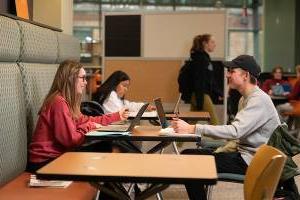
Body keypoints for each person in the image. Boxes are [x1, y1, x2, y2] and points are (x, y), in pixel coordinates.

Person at [171, 55, 281, 199]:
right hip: (244, 155)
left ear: (245, 75)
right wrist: (220, 150)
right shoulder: (245, 98)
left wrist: (193, 128)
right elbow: (239, 136)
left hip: (253, 162)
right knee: (189, 155)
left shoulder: (258, 100)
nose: (227, 74)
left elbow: (235, 131)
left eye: (231, 71)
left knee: (190, 160)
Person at [27, 60, 129, 172]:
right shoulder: (58, 102)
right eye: (83, 78)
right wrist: (90, 126)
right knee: (107, 148)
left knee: (106, 147)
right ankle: (109, 188)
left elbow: (85, 120)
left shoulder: (65, 101)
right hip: (44, 162)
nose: (86, 83)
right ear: (71, 79)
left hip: (56, 157)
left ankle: (109, 188)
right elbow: (71, 140)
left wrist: (116, 116)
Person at [188, 34, 223, 125]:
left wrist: (218, 93)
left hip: (198, 94)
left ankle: (181, 138)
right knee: (214, 121)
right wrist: (200, 100)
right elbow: (199, 80)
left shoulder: (204, 58)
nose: (215, 44)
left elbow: (209, 80)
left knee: (191, 122)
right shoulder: (200, 59)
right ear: (205, 43)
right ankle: (224, 138)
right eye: (212, 42)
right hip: (201, 95)